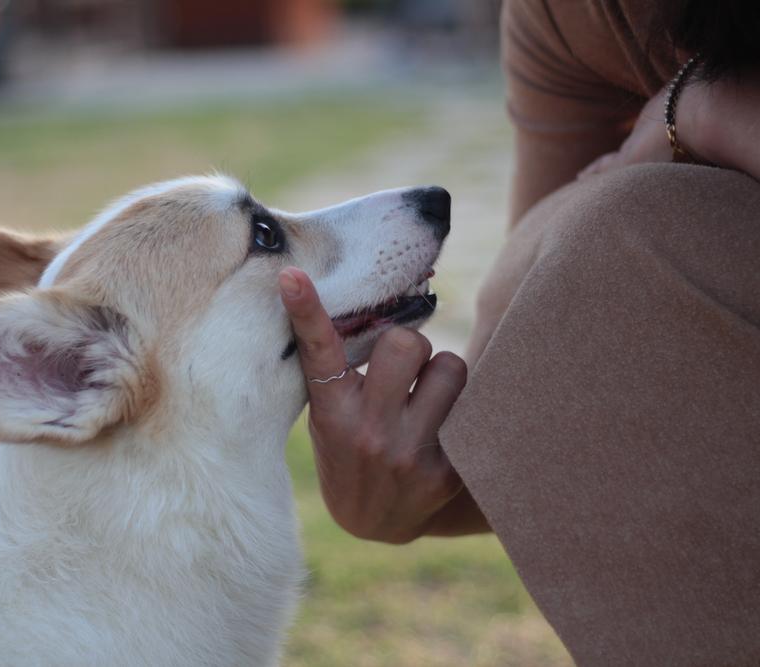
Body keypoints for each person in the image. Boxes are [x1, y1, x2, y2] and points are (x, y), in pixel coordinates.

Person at [277, 0, 760, 663]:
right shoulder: (574, 17)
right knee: (593, 239)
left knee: (638, 229)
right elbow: (533, 363)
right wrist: (396, 493)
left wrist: (713, 117)